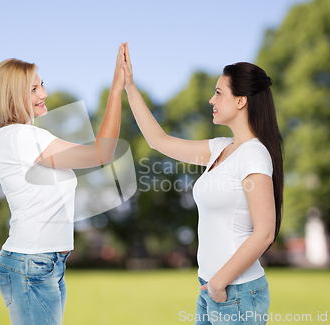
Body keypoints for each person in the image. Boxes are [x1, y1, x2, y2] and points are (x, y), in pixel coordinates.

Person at [121, 43, 283, 325]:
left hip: (236, 291)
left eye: (219, 93)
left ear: (241, 101)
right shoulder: (220, 148)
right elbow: (159, 141)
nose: (212, 100)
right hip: (211, 287)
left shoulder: (254, 154)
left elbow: (265, 232)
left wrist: (220, 281)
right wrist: (130, 87)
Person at [0, 43, 126, 325]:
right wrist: (115, 90)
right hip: (32, 264)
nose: (44, 94)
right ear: (13, 96)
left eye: (42, 85)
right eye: (34, 89)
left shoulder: (14, 137)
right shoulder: (22, 137)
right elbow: (102, 153)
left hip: (42, 263)